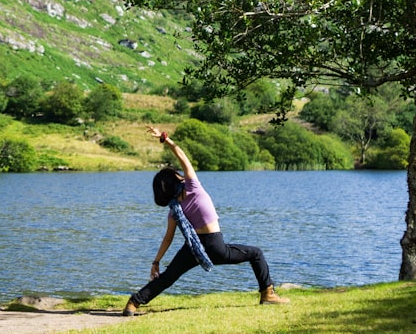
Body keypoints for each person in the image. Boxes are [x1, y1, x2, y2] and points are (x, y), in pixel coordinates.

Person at [123, 127, 290, 315]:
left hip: (192, 249)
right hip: (214, 245)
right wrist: (165, 139)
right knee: (256, 253)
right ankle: (268, 293)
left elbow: (168, 239)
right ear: (176, 180)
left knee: (169, 277)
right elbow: (182, 155)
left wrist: (156, 261)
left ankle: (133, 303)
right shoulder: (193, 187)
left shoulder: (173, 211)